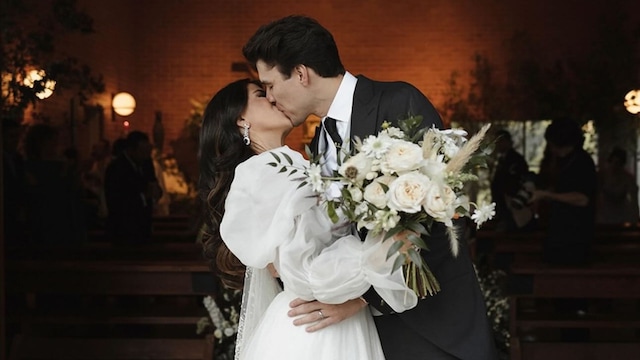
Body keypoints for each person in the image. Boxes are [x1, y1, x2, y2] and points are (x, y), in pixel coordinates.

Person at [242, 15, 497, 360]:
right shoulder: (320, 142)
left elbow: (438, 217)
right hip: (367, 335)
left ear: (301, 74)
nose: (270, 97)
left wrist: (362, 300)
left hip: (432, 325)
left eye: (270, 84)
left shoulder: (398, 102)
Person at [198, 78, 418, 359]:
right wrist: (381, 251)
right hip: (314, 324)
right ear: (241, 119)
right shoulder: (259, 174)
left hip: (331, 317)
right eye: (261, 95)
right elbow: (301, 273)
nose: (275, 97)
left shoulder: (302, 164)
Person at [532, 118, 597, 266]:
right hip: (557, 230)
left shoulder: (582, 162)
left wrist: (547, 195)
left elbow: (582, 199)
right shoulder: (561, 161)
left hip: (576, 235)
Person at [104, 130, 161, 245]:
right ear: (131, 149)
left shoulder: (146, 164)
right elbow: (117, 199)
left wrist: (156, 192)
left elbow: (153, 183)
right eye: (142, 151)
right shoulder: (117, 168)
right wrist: (144, 196)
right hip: (123, 228)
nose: (145, 155)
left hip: (144, 226)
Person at [489, 129, 535, 231]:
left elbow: (517, 181)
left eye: (500, 142)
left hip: (512, 203)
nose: (497, 145)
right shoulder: (500, 160)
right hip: (501, 203)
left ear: (507, 142)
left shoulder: (515, 159)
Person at [596, 147, 639, 225]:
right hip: (604, 215)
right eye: (614, 162)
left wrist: (635, 218)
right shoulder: (602, 175)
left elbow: (634, 200)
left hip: (621, 215)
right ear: (610, 161)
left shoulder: (627, 178)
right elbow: (595, 195)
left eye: (619, 163)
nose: (615, 166)